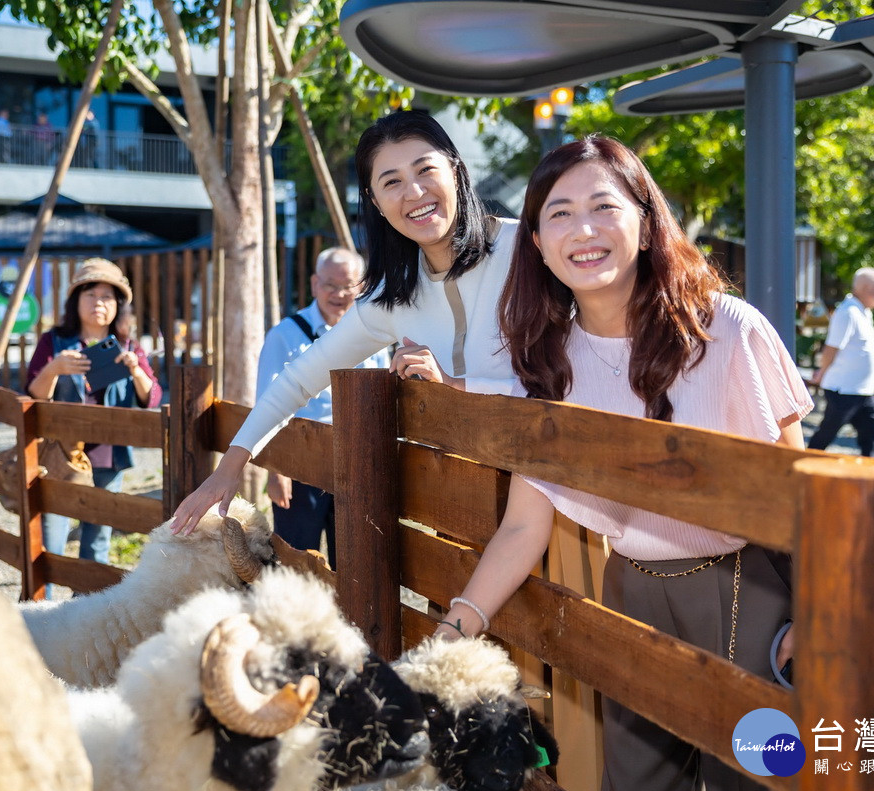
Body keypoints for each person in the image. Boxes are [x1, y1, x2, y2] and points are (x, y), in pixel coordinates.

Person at [434, 136, 812, 791]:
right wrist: (456, 624)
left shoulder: (728, 330)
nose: (583, 230)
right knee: (637, 788)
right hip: (631, 592)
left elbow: (800, 490)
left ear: (645, 221)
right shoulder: (546, 358)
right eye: (559, 213)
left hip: (746, 594)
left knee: (758, 784)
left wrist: (813, 618)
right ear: (538, 243)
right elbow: (525, 524)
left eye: (604, 206)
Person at [171, 109, 517, 536]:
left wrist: (455, 387)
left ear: (456, 168)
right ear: (374, 200)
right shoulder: (391, 297)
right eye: (391, 181)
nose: (413, 191)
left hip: (557, 493)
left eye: (426, 169)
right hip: (462, 508)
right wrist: (228, 469)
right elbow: (297, 382)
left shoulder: (528, 251)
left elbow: (574, 375)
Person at [257, 248, 389, 570]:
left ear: (362, 287)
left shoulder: (374, 335)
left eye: (348, 285)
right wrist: (276, 470)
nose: (340, 294)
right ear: (315, 283)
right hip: (300, 462)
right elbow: (267, 405)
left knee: (355, 560)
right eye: (330, 285)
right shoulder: (285, 335)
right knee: (296, 561)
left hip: (357, 462)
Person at [26, 259, 161, 572]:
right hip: (60, 453)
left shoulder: (128, 346)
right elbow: (34, 394)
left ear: (118, 306)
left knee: (97, 539)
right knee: (50, 537)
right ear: (76, 301)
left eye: (107, 296)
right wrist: (54, 368)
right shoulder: (54, 342)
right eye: (91, 294)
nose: (99, 302)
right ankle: (42, 610)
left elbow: (151, 397)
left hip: (108, 454)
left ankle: (86, 611)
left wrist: (136, 369)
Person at [807, 267, 874, 456]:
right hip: (843, 390)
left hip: (862, 390)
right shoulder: (848, 312)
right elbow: (831, 348)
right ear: (867, 288)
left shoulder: (862, 312)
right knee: (826, 434)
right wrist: (821, 372)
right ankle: (802, 465)